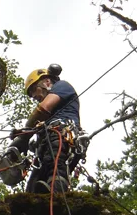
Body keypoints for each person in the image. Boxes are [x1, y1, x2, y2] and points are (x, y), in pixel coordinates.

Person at [6, 64, 83, 194]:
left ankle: (57, 195)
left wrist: (24, 136)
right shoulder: (46, 119)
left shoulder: (62, 86)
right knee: (32, 188)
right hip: (47, 144)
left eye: (34, 90)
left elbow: (43, 108)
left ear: (47, 81)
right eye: (31, 94)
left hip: (62, 134)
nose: (34, 96)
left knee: (56, 169)